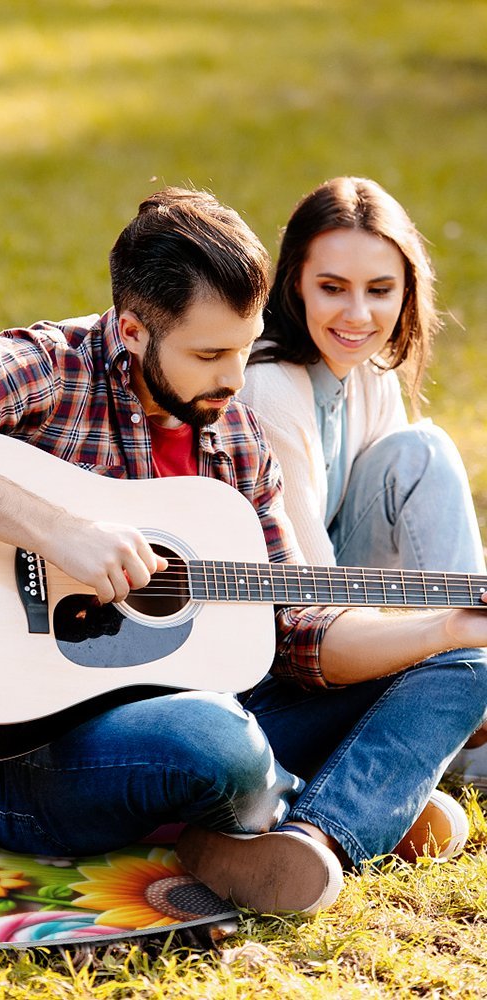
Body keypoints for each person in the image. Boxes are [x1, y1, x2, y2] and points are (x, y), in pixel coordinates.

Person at [0, 188, 487, 916]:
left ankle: (316, 836)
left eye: (244, 346)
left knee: (467, 664)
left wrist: (443, 628)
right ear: (133, 331)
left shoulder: (234, 435)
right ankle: (344, 797)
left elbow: (297, 629)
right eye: (208, 354)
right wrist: (55, 530)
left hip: (214, 710)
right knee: (216, 742)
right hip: (24, 755)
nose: (235, 380)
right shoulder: (51, 367)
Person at [240, 176, 487, 790]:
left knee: (418, 451)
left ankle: (466, 693)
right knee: (424, 451)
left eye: (380, 290)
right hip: (283, 646)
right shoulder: (270, 385)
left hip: (347, 609)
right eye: (332, 288)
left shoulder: (369, 370)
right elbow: (310, 602)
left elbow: (408, 539)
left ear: (407, 292)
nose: (358, 315)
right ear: (294, 281)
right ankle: (462, 717)